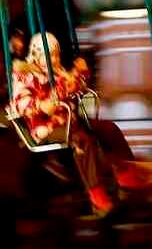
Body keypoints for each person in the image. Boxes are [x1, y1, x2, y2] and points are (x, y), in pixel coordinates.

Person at [7, 32, 117, 216]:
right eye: (50, 55)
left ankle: (119, 174)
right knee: (82, 141)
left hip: (66, 120)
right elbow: (21, 102)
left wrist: (80, 73)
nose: (55, 59)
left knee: (105, 129)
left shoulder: (56, 72)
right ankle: (97, 195)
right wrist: (40, 104)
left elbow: (71, 86)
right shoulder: (26, 75)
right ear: (37, 55)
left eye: (57, 54)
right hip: (45, 126)